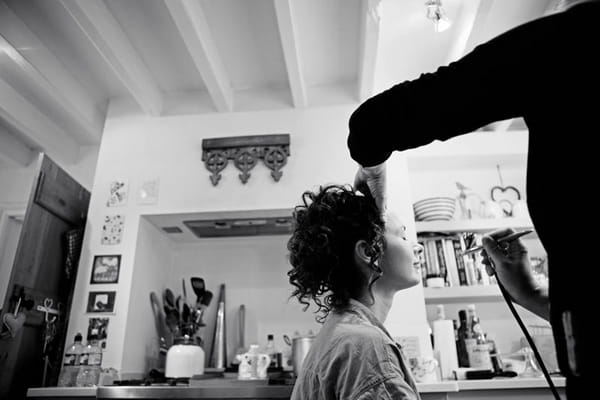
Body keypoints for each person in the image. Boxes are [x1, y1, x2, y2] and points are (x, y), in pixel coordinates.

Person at [347, 1, 597, 397]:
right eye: (400, 231)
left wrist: (374, 172)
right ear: (369, 251)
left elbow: (373, 126)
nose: (413, 243)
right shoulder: (574, 42)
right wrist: (532, 295)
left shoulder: (566, 43)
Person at [287, 185, 424, 400]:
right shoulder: (367, 348)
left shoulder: (341, 332)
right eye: (403, 236)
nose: (418, 247)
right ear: (369, 252)